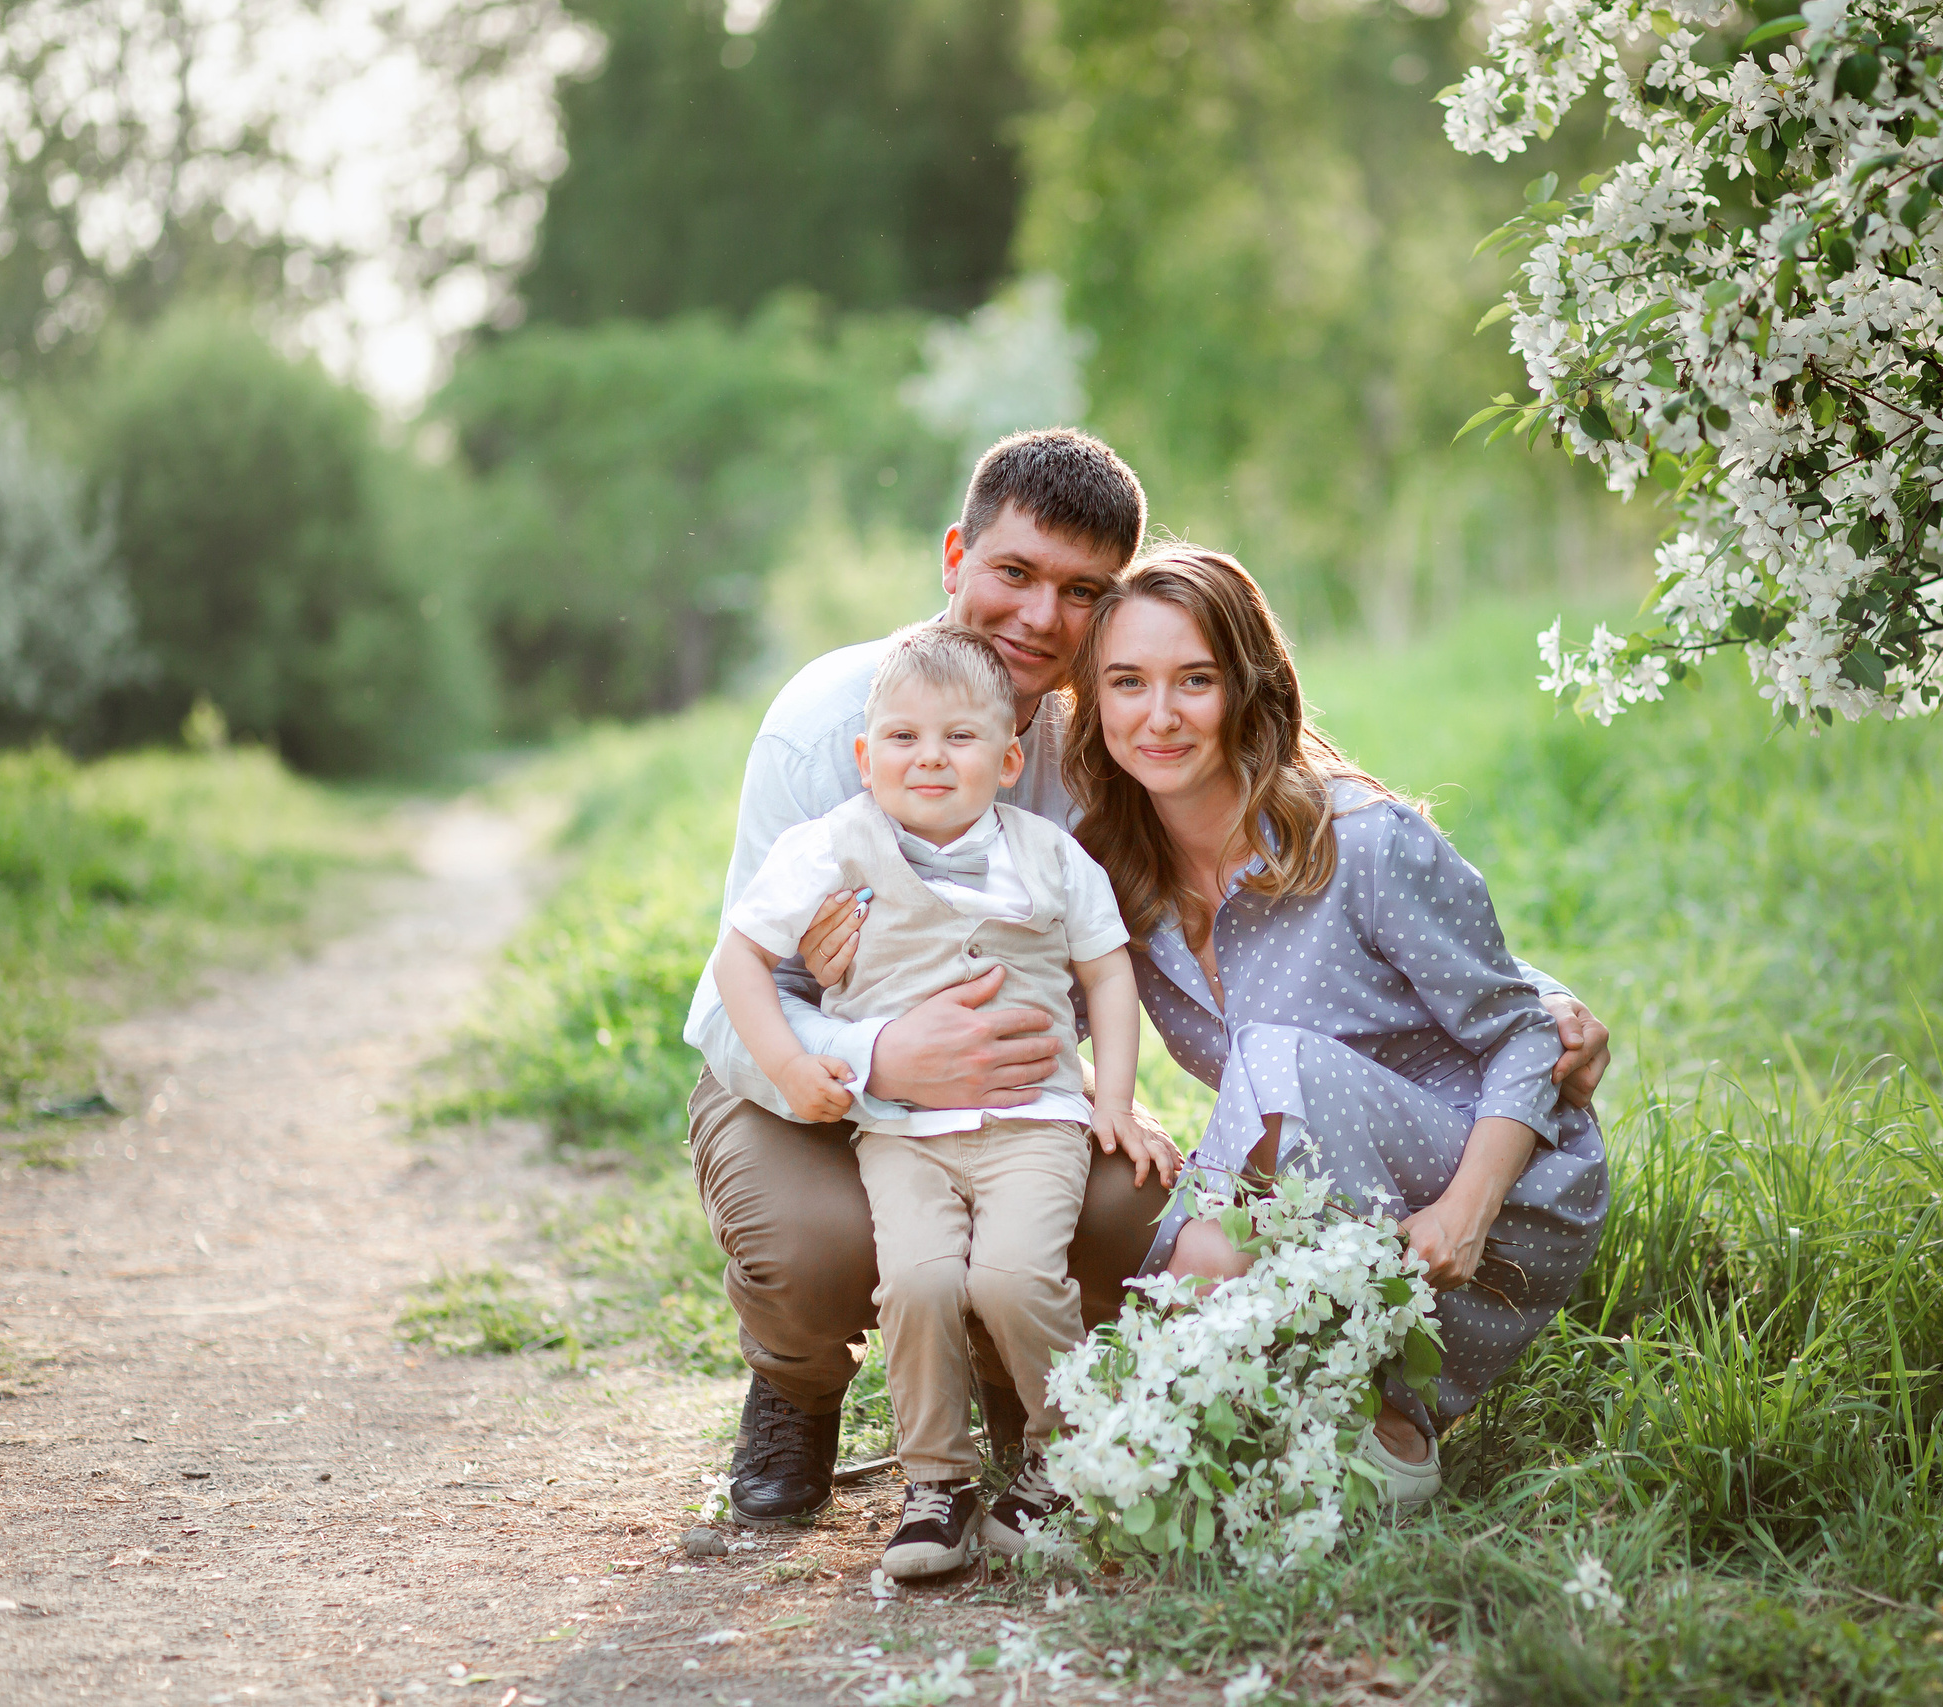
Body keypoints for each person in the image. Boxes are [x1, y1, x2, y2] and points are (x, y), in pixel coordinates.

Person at [684, 426, 1611, 1529]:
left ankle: (1046, 1393)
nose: (1041, 617)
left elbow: (1365, 900)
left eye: (1081, 592)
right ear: (955, 558)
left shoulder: (1104, 758)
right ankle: (796, 1388)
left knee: (1137, 1206)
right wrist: (879, 1049)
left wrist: (1540, 1005)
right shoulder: (838, 727)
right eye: (1015, 572)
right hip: (805, 1081)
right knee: (821, 1246)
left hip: (1036, 1103)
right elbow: (728, 1001)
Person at [1063, 548, 1610, 1504]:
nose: (1160, 714)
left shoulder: (1363, 840)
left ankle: (1371, 1416)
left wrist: (1466, 1210)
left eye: (1196, 680)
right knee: (1125, 1180)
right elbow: (1030, 1022)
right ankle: (1251, 1422)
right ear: (1095, 702)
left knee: (1267, 1080)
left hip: (1494, 1180)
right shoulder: (1111, 873)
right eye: (1128, 682)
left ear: (1250, 687)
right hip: (1319, 1191)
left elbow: (1525, 1036)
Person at [709, 622, 1176, 1575]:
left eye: (959, 738)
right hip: (901, 1133)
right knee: (917, 1281)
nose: (929, 757)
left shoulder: (1050, 855)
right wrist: (796, 1064)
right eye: (903, 738)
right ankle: (937, 1482)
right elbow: (737, 960)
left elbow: (1108, 971)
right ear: (864, 756)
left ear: (1007, 761)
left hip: (1033, 1123)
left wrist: (1116, 1099)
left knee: (1014, 1278)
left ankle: (1062, 1455)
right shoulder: (832, 847)